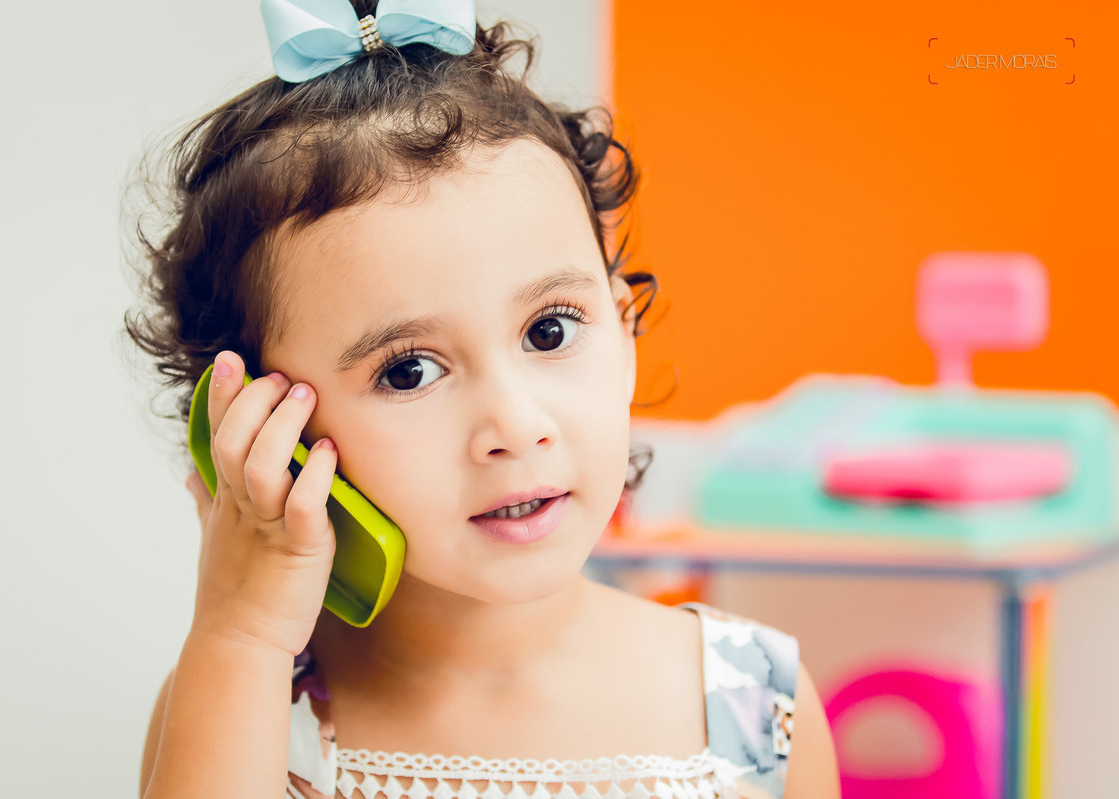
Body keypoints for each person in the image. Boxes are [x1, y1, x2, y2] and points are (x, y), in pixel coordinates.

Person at [125, 2, 840, 798]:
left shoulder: (756, 703)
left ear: (625, 324)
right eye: (408, 372)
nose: (514, 426)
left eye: (549, 331)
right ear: (259, 426)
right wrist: (243, 634)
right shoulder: (251, 705)